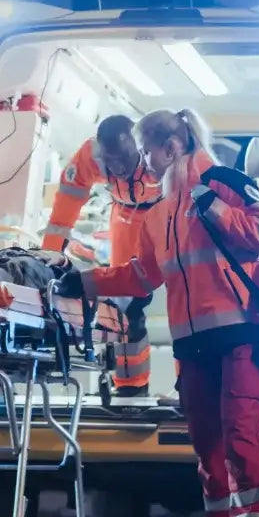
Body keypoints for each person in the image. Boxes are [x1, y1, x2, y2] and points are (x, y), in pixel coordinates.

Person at [58, 108, 259, 517]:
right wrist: (85, 282)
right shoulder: (157, 212)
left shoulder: (224, 181)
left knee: (243, 436)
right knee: (208, 446)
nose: (145, 161)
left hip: (239, 334)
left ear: (172, 147)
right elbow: (141, 276)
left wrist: (213, 208)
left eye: (149, 151)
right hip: (192, 344)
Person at [42, 115, 162, 395]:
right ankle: (132, 387)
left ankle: (189, 387)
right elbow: (65, 207)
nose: (118, 168)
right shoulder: (91, 156)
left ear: (140, 147)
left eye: (125, 159)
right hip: (126, 220)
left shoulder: (159, 153)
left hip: (166, 214)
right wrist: (50, 254)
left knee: (185, 306)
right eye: (112, 160)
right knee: (127, 305)